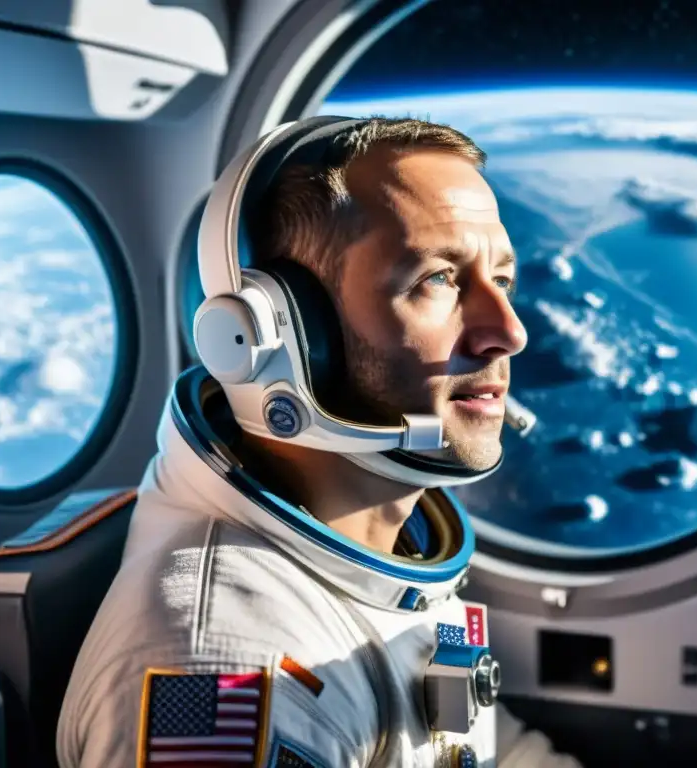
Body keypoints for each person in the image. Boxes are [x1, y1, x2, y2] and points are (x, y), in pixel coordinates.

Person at [55, 116, 582, 768]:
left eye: (500, 280)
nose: (508, 331)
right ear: (289, 334)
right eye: (437, 280)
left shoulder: (390, 551)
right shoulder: (225, 668)